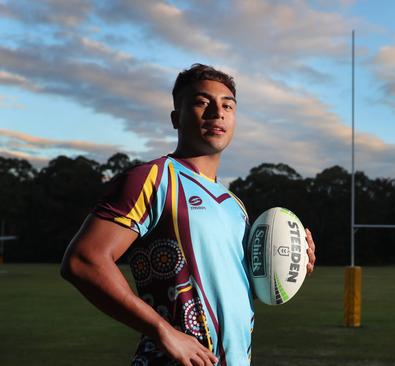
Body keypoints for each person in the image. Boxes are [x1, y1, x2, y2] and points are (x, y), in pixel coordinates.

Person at [60, 64, 317, 366]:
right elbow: (83, 261)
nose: (216, 112)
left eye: (227, 106)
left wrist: (287, 265)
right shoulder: (153, 178)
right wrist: (162, 330)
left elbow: (230, 289)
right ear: (175, 118)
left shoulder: (236, 207)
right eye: (201, 102)